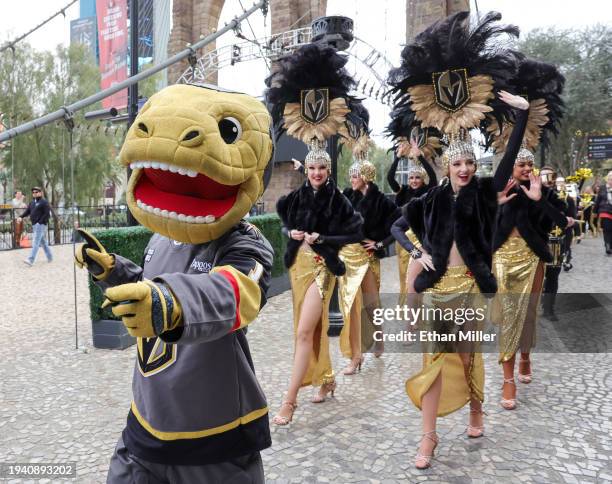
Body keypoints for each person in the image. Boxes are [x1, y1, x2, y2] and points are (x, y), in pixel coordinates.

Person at [77, 84, 276, 483]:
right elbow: (152, 286)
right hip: (145, 424)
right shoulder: (160, 237)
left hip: (214, 438)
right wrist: (113, 272)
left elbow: (235, 293)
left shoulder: (245, 244)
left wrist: (169, 303)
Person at [387, 9, 525, 469]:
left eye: (469, 163)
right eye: (457, 164)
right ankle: (428, 438)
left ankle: (477, 406)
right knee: (431, 363)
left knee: (464, 359)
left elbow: (503, 171)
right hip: (435, 289)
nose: (464, 169)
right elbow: (396, 228)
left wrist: (520, 118)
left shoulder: (485, 195)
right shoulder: (428, 201)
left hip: (469, 286)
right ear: (447, 166)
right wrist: (417, 253)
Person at [274, 140, 363, 425]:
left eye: (321, 168)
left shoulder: (338, 199)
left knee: (302, 333)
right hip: (297, 268)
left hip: (321, 267)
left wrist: (323, 239)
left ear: (328, 169)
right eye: (312, 168)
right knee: (310, 332)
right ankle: (325, 378)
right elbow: (283, 221)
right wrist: (290, 233)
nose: (316, 173)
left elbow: (355, 231)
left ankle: (289, 402)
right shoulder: (298, 196)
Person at [339, 159, 400, 370]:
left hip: (369, 260)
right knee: (352, 307)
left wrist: (380, 243)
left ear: (365, 177)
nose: (351, 180)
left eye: (355, 176)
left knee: (371, 305)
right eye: (351, 176)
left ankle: (379, 336)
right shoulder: (348, 195)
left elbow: (400, 222)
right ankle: (356, 357)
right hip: (349, 259)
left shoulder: (381, 200)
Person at [539, 167, 572, 321]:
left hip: (556, 242)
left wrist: (567, 246)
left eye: (550, 176)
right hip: (536, 244)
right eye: (543, 176)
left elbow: (571, 220)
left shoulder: (565, 198)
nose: (547, 179)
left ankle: (548, 309)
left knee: (552, 277)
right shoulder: (531, 196)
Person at [18, 187, 52, 265]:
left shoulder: (44, 202)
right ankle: (50, 257)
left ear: (40, 193)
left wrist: (39, 223)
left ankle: (31, 259)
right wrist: (21, 217)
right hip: (34, 225)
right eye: (33, 192)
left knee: (35, 242)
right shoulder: (32, 202)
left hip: (41, 225)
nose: (35, 193)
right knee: (43, 242)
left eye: (36, 192)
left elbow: (47, 214)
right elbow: (27, 211)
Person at [594, 171, 612, 255]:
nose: (611, 181)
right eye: (609, 179)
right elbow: (598, 200)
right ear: (607, 179)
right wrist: (595, 211)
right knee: (607, 229)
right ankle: (607, 245)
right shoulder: (602, 188)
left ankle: (610, 246)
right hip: (605, 211)